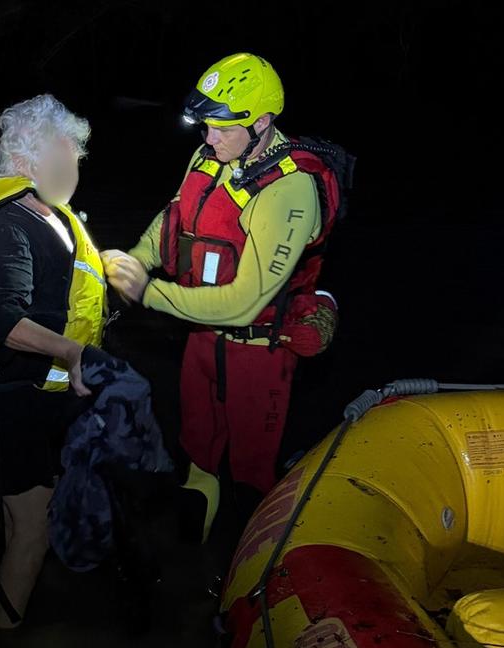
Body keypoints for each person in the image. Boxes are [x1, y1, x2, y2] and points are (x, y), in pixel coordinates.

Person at [103, 53, 349, 544]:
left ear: (261, 122)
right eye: (205, 127)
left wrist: (148, 292)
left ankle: (252, 571)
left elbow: (242, 303)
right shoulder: (209, 155)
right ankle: (191, 570)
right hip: (200, 342)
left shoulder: (290, 191)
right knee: (196, 452)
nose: (209, 139)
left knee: (252, 473)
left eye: (222, 129)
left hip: (259, 353)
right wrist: (136, 259)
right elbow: (172, 221)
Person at [0, 94, 108, 629]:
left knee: (23, 519)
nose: (74, 170)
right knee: (33, 528)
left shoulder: (27, 209)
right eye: (66, 159)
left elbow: (58, 283)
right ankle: (4, 642)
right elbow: (2, 323)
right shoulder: (12, 223)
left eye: (76, 158)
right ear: (25, 161)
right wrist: (72, 351)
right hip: (2, 403)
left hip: (15, 400)